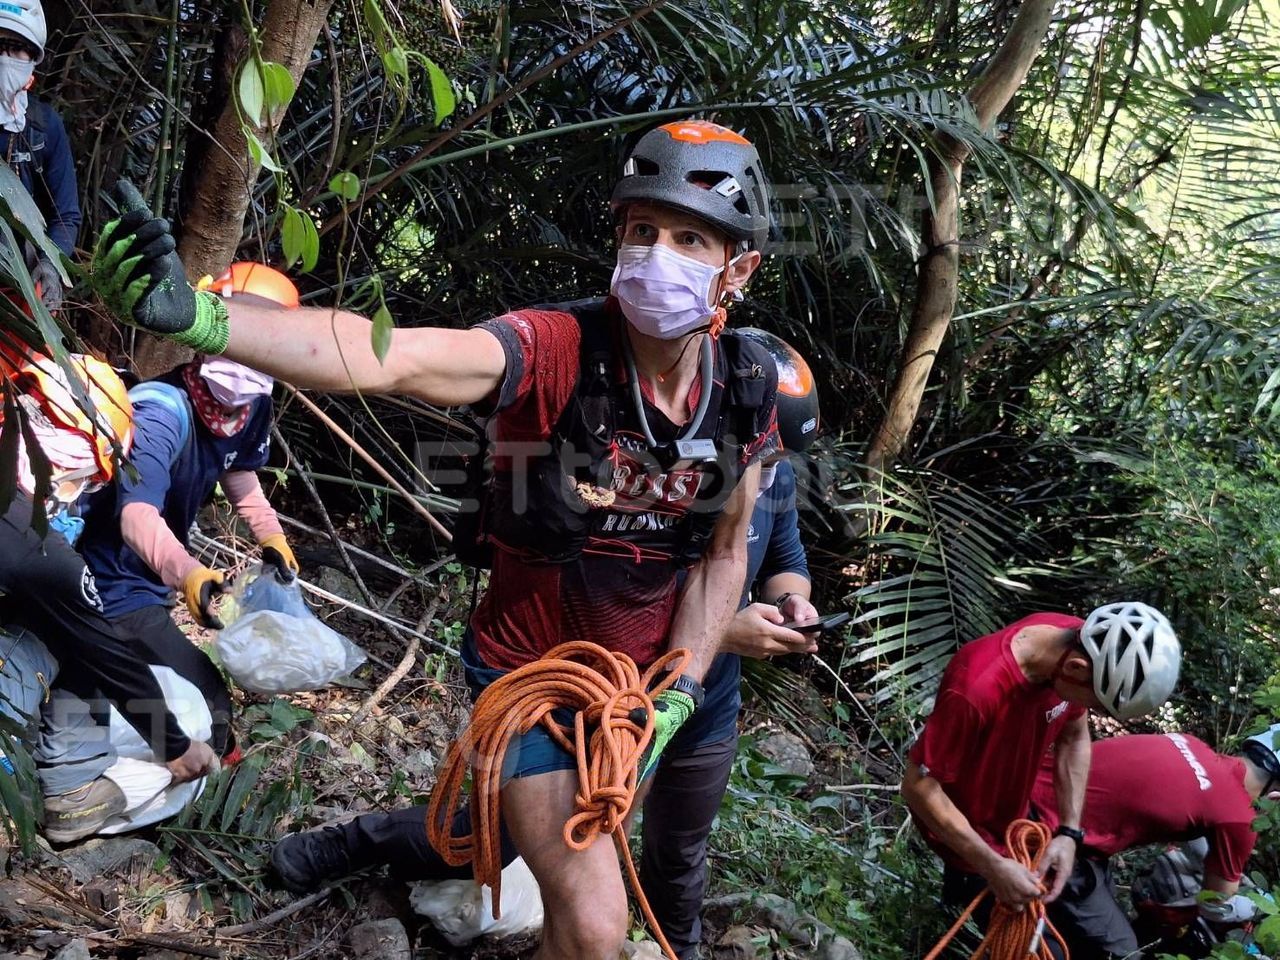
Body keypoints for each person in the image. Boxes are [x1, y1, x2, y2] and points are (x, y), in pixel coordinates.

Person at [89, 119, 781, 959]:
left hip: (636, 691)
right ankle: (360, 844)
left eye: (688, 239)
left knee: (505, 850)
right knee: (596, 927)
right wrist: (204, 318)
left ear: (738, 269)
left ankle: (365, 842)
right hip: (532, 676)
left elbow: (726, 554)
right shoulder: (556, 348)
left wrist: (680, 688)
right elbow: (393, 358)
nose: (654, 255)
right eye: (642, 230)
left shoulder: (746, 389)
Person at [640, 327, 822, 959]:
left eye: (778, 459)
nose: (769, 472)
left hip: (710, 708)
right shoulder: (658, 473)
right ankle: (362, 845)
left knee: (680, 851)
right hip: (631, 695)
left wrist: (791, 603)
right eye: (762, 455)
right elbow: (623, 591)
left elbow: (786, 559)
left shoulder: (773, 477)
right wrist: (726, 630)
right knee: (576, 830)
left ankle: (677, 949)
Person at [78, 263, 300, 761]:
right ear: (206, 333)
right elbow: (136, 516)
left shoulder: (251, 407)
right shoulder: (161, 411)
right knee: (206, 692)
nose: (243, 361)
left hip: (149, 579)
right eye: (234, 339)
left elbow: (238, 469)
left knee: (164, 693)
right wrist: (188, 573)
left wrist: (271, 534)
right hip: (110, 580)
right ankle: (212, 782)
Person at [0, 349, 215, 841]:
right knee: (66, 637)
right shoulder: (36, 547)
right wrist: (176, 747)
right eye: (85, 482)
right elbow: (103, 648)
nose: (80, 495)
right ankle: (71, 789)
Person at [899, 603, 1182, 941]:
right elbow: (919, 787)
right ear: (1076, 668)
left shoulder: (1076, 642)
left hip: (1016, 821)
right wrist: (991, 866)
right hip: (972, 840)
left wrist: (1070, 832)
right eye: (1096, 703)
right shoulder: (977, 688)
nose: (1090, 710)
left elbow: (1074, 737)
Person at [1028, 727, 1280, 957]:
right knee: (1123, 951)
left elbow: (1194, 830)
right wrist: (1260, 907)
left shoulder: (1192, 745)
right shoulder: (1239, 816)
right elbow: (1214, 906)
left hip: (1033, 793)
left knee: (1104, 906)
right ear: (1276, 795)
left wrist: (1233, 875)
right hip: (1053, 834)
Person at [0, 0, 80, 309]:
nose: (5, 58)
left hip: (21, 289)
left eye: (17, 49)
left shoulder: (43, 127)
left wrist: (51, 265)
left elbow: (66, 215)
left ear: (33, 58)